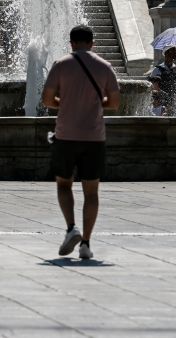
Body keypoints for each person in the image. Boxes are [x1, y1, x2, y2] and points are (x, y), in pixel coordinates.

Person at [41, 25, 120, 260]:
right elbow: (114, 103)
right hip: (94, 137)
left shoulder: (61, 64)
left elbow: (47, 100)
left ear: (71, 43)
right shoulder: (105, 67)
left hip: (65, 135)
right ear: (92, 43)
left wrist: (64, 103)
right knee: (91, 192)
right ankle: (86, 243)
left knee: (64, 185)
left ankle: (70, 228)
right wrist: (95, 103)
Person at [149, 45, 176, 115]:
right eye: (172, 52)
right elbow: (150, 86)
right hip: (160, 104)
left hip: (172, 102)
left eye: (175, 52)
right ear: (166, 53)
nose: (175, 54)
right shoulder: (157, 69)